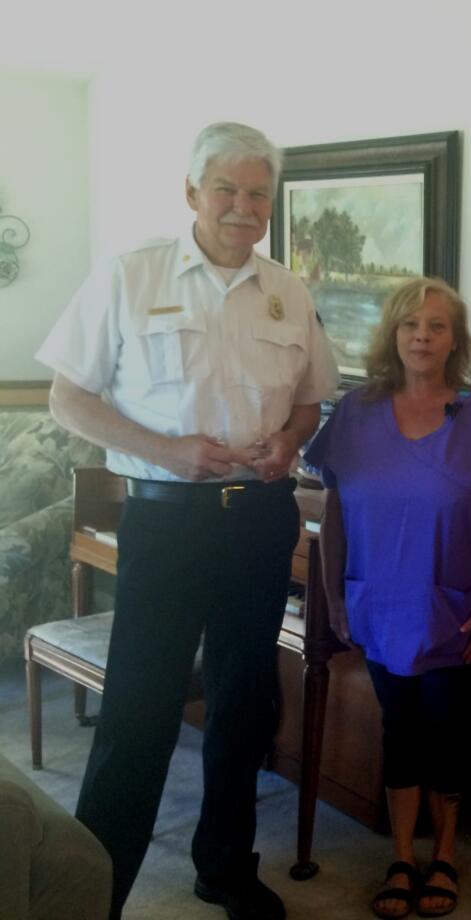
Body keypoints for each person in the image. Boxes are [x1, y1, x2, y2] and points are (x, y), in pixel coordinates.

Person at [36, 121, 339, 919]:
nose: (244, 209)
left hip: (260, 520)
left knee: (244, 703)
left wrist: (289, 439)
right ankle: (92, 892)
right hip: (166, 527)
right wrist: (163, 450)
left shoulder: (288, 290)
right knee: (139, 714)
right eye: (228, 192)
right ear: (192, 194)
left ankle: (225, 866)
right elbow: (68, 396)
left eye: (258, 196)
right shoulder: (130, 276)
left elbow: (312, 398)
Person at [305, 277, 471, 919]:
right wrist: (334, 596)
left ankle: (447, 855)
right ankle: (403, 855)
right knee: (400, 729)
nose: (422, 336)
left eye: (436, 325)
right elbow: (335, 509)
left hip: (457, 614)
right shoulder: (356, 413)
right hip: (377, 605)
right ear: (393, 334)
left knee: (449, 735)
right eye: (410, 324)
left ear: (455, 339)